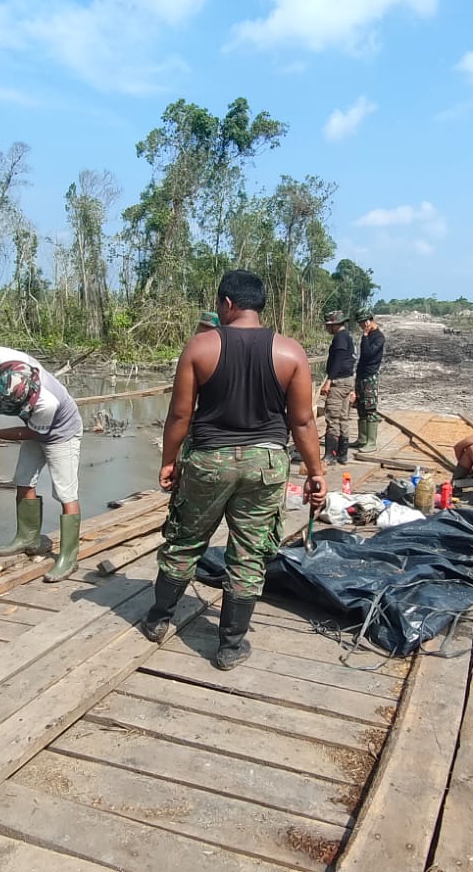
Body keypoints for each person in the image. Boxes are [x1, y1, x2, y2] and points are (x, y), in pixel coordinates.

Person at [137, 270, 327, 670]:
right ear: (260, 305)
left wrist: (168, 460)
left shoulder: (200, 348)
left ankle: (158, 620)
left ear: (227, 304)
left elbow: (180, 414)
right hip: (266, 465)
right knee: (248, 553)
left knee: (186, 540)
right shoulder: (291, 353)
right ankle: (229, 646)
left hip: (208, 460)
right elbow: (304, 422)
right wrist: (316, 472)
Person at [0, 339, 84, 583]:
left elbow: (31, 434)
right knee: (24, 479)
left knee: (65, 493)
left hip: (62, 433)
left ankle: (69, 557)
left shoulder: (46, 402)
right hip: (36, 427)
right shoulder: (11, 359)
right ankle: (28, 538)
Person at [319, 309, 356, 464]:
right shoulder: (346, 336)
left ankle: (330, 455)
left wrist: (329, 380)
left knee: (333, 418)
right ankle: (342, 454)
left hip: (339, 382)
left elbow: (338, 361)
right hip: (347, 381)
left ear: (334, 325)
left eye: (328, 325)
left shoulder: (340, 338)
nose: (327, 328)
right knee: (343, 418)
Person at [350, 310, 385, 450]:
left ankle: (371, 443)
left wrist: (364, 336)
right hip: (362, 376)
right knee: (361, 408)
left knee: (370, 409)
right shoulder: (369, 336)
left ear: (368, 321)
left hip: (370, 377)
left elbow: (367, 353)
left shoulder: (378, 337)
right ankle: (362, 438)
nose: (362, 326)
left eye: (362, 323)